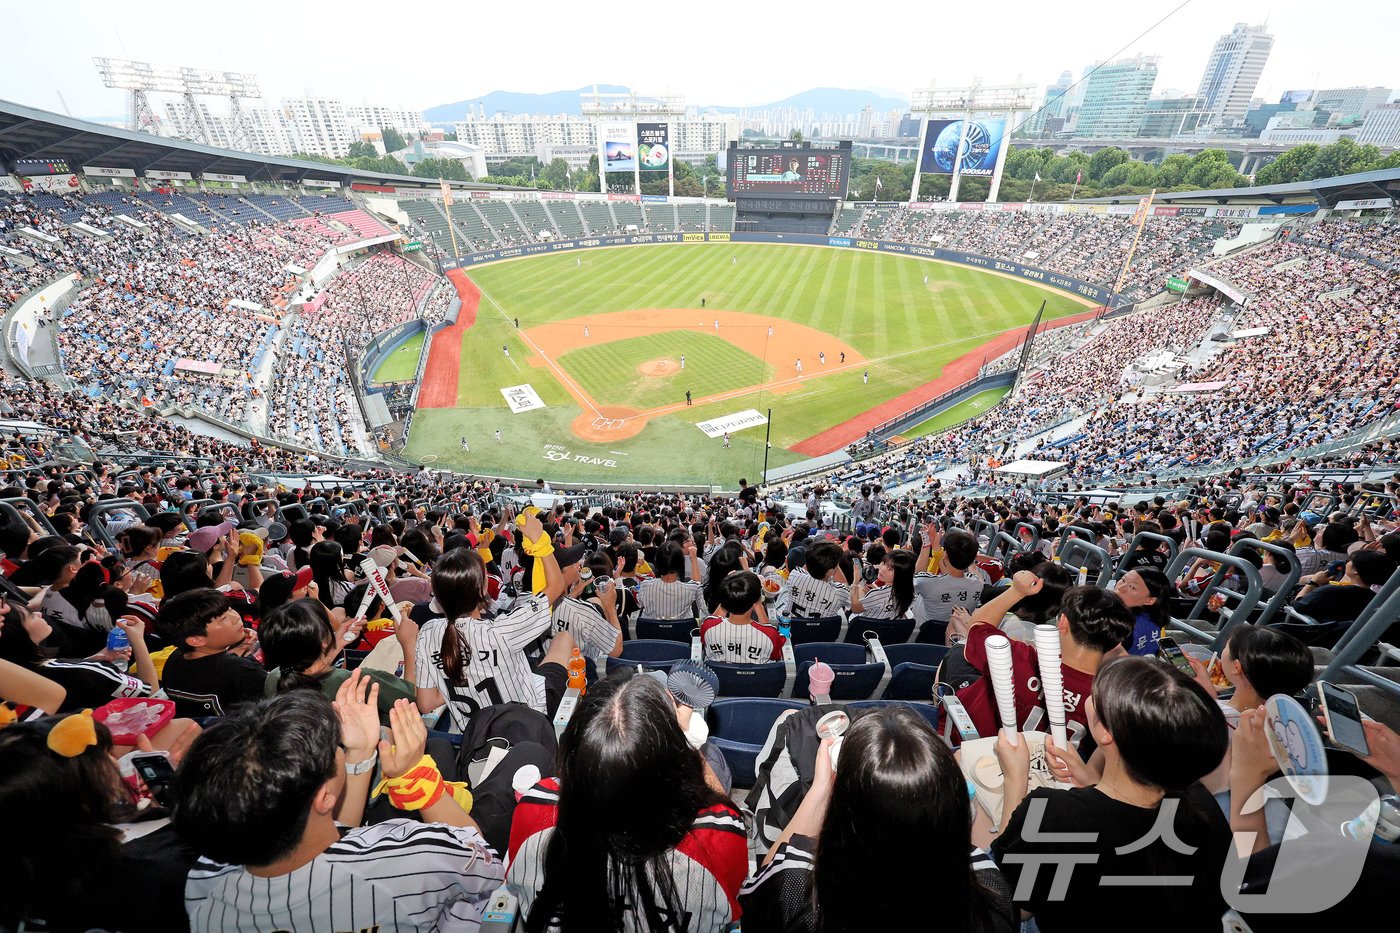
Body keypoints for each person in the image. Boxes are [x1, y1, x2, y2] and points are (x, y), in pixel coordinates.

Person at [175, 682, 502, 930]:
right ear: (323, 796)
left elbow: (329, 844)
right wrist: (416, 777)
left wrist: (359, 755)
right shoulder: (411, 853)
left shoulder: (205, 883)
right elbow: (484, 862)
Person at [990, 657, 1232, 933]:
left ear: (1106, 733)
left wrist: (1015, 777)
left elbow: (1012, 907)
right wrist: (1089, 783)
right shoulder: (1204, 808)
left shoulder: (1053, 815)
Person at [741, 706, 1016, 933]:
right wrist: (1016, 778)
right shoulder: (990, 888)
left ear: (843, 812)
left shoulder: (796, 889)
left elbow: (768, 872)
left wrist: (820, 790)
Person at [507, 673, 746, 930]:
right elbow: (724, 811)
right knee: (717, 761)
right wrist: (689, 744)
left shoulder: (533, 809)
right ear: (671, 763)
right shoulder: (719, 838)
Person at [414, 520, 574, 730]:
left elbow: (426, 703)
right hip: (531, 723)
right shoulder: (502, 629)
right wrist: (540, 541)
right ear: (482, 590)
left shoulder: (427, 633)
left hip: (476, 736)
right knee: (563, 638)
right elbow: (557, 586)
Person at [954, 573, 1133, 741]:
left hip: (978, 750)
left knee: (955, 656)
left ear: (1062, 623)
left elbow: (977, 626)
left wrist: (1015, 591)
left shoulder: (1023, 658)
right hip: (1053, 769)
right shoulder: (1111, 698)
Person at [260, 598, 415, 718]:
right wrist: (409, 644)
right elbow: (414, 698)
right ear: (323, 642)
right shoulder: (354, 681)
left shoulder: (274, 678)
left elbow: (308, 668)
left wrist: (335, 644)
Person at [157, 589, 266, 718]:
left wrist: (240, 649)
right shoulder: (241, 669)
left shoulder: (175, 658)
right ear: (196, 640)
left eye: (230, 609)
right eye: (223, 618)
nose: (236, 617)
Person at [913, 524, 982, 639]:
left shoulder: (928, 583)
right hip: (955, 636)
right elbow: (955, 575)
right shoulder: (977, 584)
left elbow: (918, 574)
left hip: (923, 636)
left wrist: (926, 544)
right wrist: (937, 551)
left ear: (945, 554)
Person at [701, 571, 782, 663]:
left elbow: (712, 620)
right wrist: (758, 603)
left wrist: (729, 590)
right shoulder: (770, 634)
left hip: (717, 676)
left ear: (723, 600)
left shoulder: (708, 627)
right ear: (756, 601)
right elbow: (775, 656)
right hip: (758, 677)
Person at [637, 540, 707, 620]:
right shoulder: (691, 589)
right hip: (682, 631)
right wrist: (694, 559)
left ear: (657, 562)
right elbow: (698, 586)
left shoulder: (645, 585)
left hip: (651, 631)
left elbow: (640, 603)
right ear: (681, 563)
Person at [785, 540, 850, 619]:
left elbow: (807, 566)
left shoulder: (795, 575)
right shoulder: (840, 593)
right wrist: (833, 560)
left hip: (789, 629)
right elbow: (844, 583)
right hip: (822, 631)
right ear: (830, 571)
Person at [1117, 567, 1174, 656]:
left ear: (1150, 600)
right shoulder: (1156, 620)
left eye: (1132, 587)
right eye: (1123, 580)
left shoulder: (1119, 624)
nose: (1120, 587)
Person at [850, 548, 916, 620]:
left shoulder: (876, 594)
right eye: (884, 563)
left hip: (868, 628)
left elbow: (855, 609)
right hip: (890, 628)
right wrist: (874, 587)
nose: (883, 569)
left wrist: (855, 582)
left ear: (901, 574)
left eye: (890, 569)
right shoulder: (909, 592)